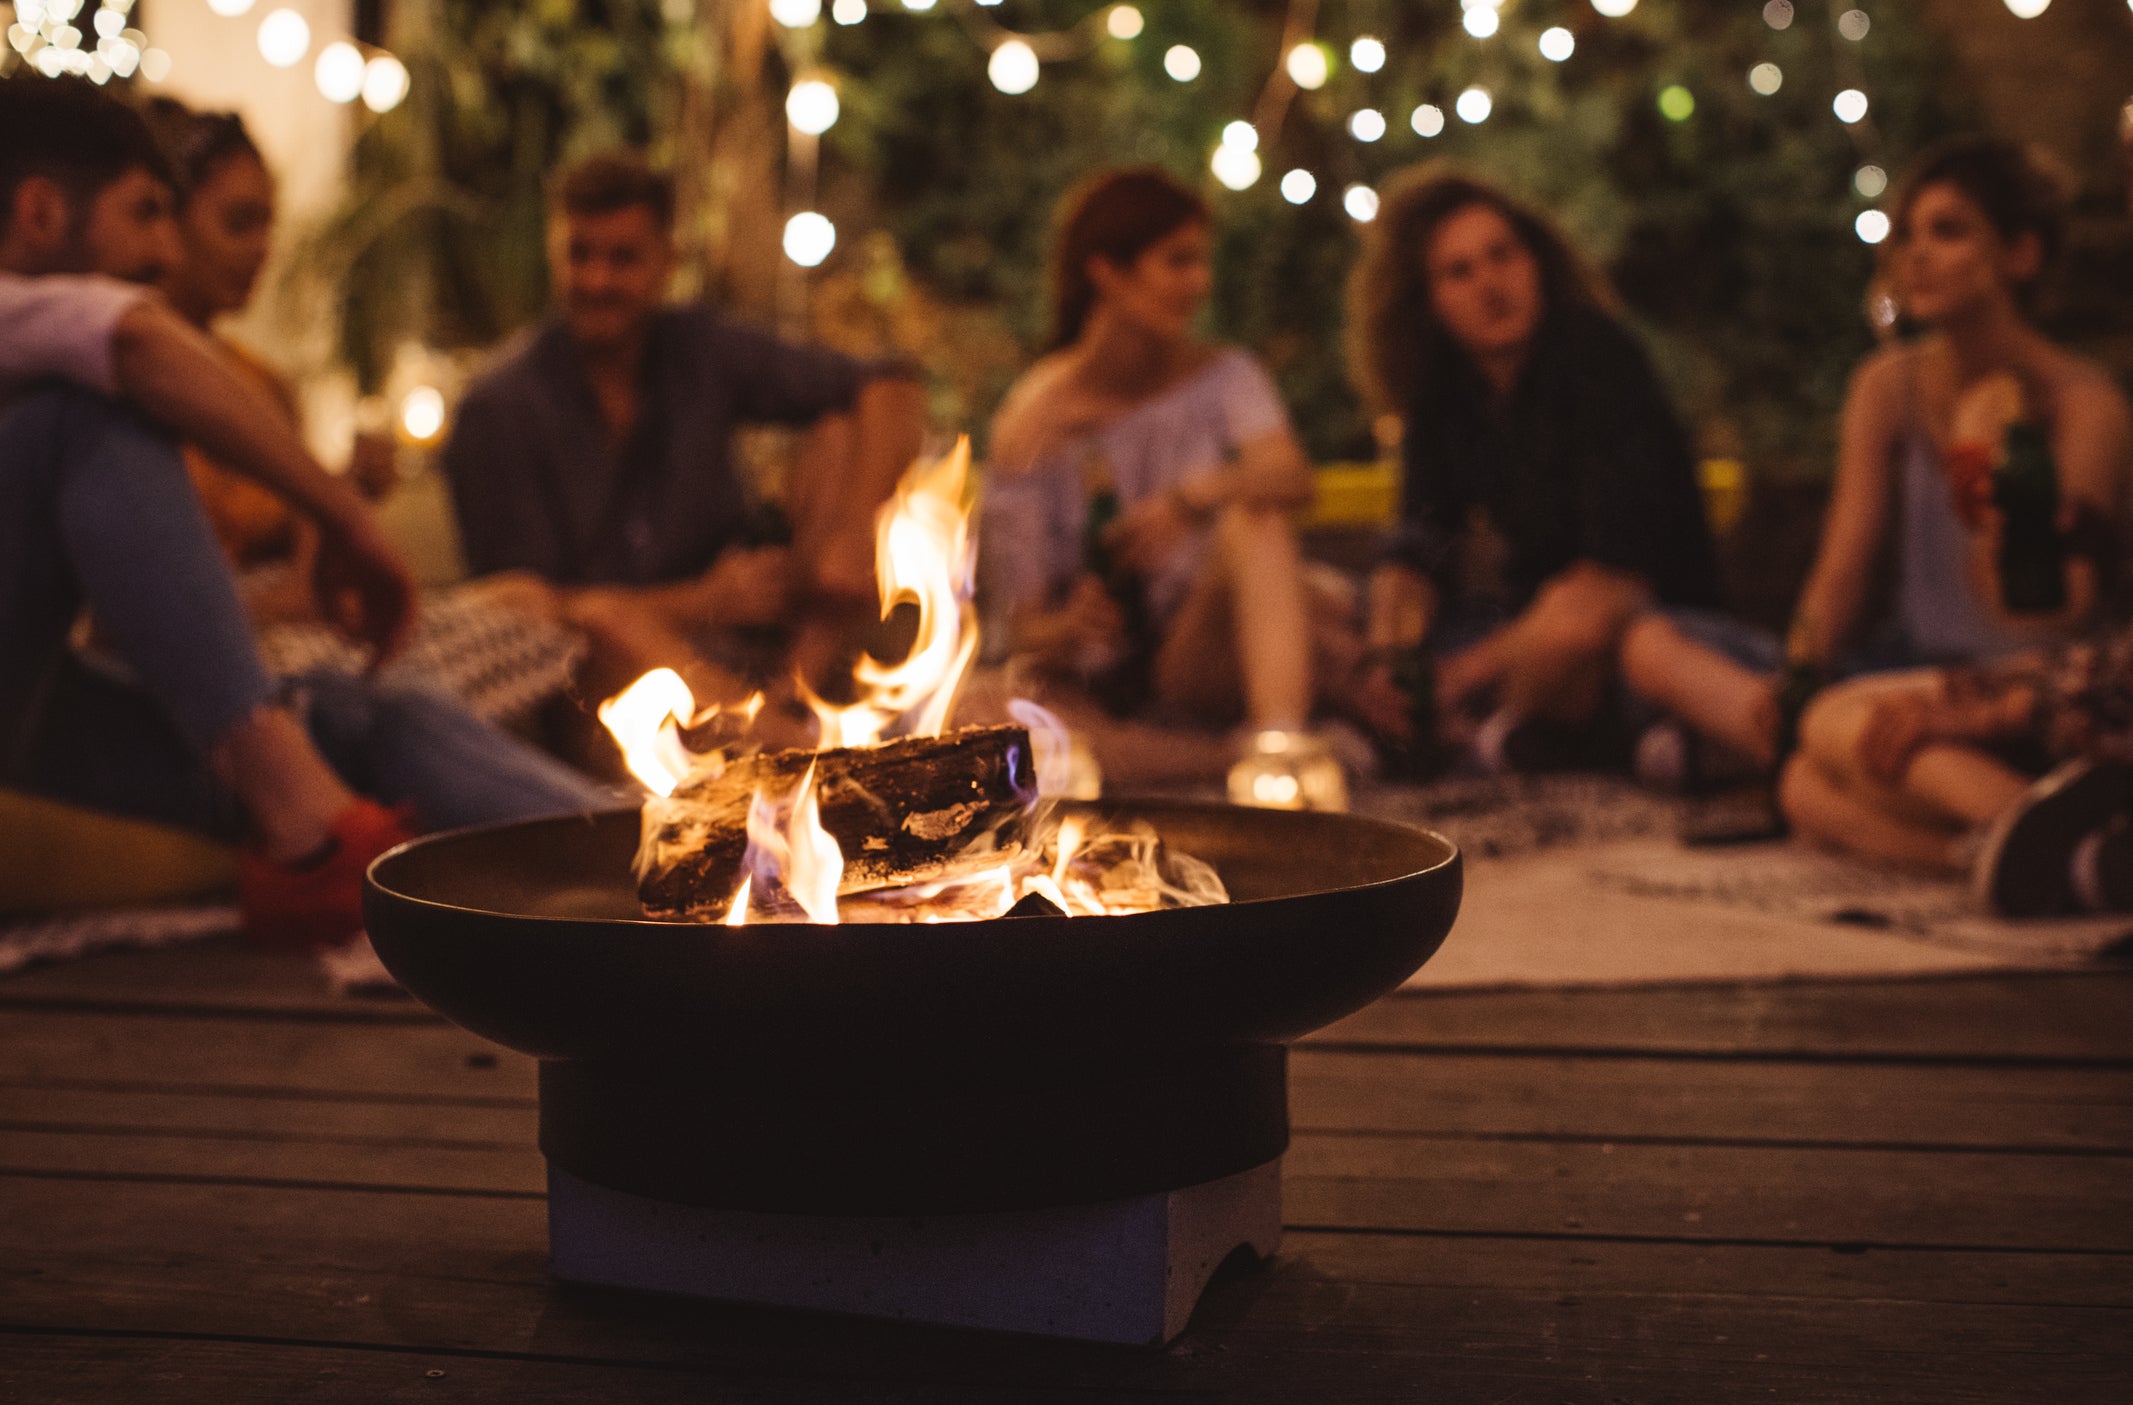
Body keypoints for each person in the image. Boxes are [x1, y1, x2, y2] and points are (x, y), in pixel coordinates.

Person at [0, 77, 606, 949]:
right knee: (86, 414)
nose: (165, 252)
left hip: (49, 711)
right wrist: (346, 518)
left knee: (355, 708)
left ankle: (666, 850)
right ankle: (314, 833)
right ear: (40, 212)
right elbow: (129, 335)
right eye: (144, 213)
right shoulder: (66, 341)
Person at [1690, 138, 2130, 846]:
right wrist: (1798, 675)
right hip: (1913, 665)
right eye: (1905, 235)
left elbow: (2054, 612)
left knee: (1836, 732)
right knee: (1801, 781)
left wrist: (1981, 462)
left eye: (1947, 231)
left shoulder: (2084, 404)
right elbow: (1842, 568)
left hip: (2032, 686)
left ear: (2019, 254)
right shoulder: (1885, 384)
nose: (1914, 255)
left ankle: (2055, 831)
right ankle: (2022, 855)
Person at [440, 152, 927, 716]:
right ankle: (790, 745)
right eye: (580, 255)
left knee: (840, 431)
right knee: (604, 619)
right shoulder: (499, 407)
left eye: (622, 259)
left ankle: (797, 693)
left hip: (752, 644)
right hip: (595, 683)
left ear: (667, 261)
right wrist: (703, 602)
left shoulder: (697, 348)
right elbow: (521, 608)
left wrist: (852, 536)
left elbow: (890, 386)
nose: (597, 280)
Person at [1346, 164, 1731, 775]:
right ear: (1429, 302)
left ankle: (1482, 740)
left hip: (1647, 619)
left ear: (1538, 263)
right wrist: (1392, 657)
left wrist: (1457, 677)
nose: (1489, 283)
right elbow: (1421, 539)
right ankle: (1474, 732)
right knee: (1351, 614)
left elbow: (1612, 577)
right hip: (1529, 624)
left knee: (1570, 629)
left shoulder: (1597, 356)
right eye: (1459, 272)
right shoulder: (1447, 393)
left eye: (1503, 256)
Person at [980, 167, 1352, 797]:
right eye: (1179, 262)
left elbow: (1290, 477)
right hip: (1097, 680)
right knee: (989, 712)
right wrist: (1072, 625)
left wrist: (1188, 500)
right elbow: (1018, 625)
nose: (1200, 284)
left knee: (1261, 521)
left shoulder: (1226, 376)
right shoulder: (1035, 418)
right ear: (1108, 273)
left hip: (1197, 656)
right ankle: (1234, 763)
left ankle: (1279, 749)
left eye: (1202, 263)